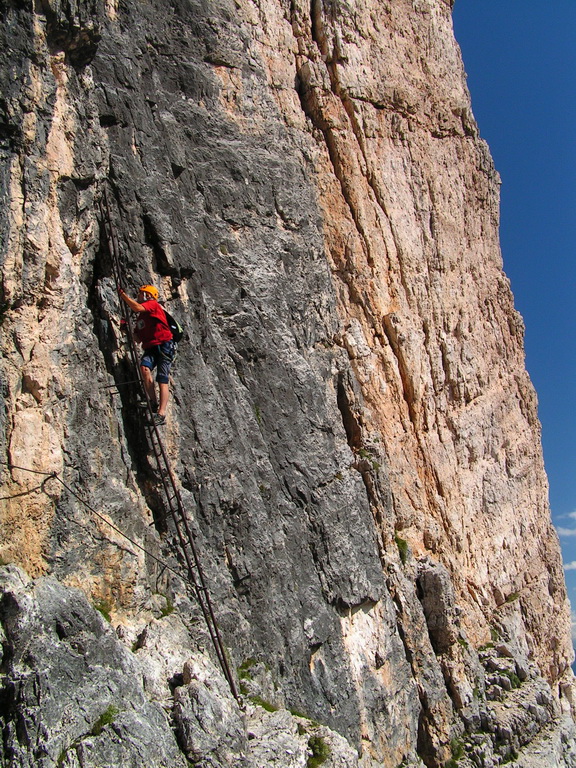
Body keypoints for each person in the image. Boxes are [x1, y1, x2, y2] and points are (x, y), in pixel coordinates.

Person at [119, 284, 175, 426]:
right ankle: (153, 402)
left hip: (164, 345)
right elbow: (137, 339)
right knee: (144, 369)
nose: (138, 296)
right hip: (151, 347)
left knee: (162, 378)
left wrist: (123, 296)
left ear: (147, 295)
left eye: (140, 293)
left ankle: (161, 413)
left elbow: (136, 307)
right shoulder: (141, 319)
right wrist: (127, 330)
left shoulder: (153, 305)